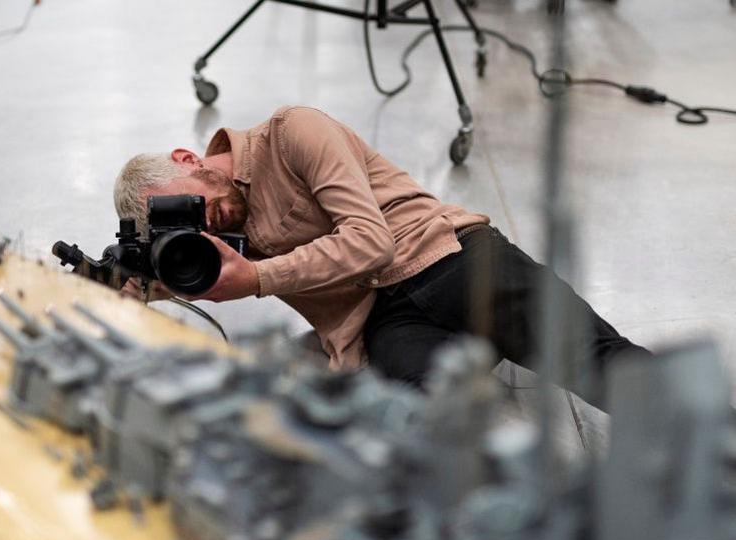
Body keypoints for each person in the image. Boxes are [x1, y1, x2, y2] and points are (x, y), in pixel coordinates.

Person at [113, 106, 648, 403]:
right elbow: (173, 280)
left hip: (447, 257)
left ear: (188, 159)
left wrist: (256, 277)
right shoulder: (213, 236)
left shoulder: (293, 132)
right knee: (430, 430)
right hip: (382, 323)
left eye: (192, 206)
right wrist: (134, 282)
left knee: (599, 363)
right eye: (181, 226)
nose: (202, 225)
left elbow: (372, 241)